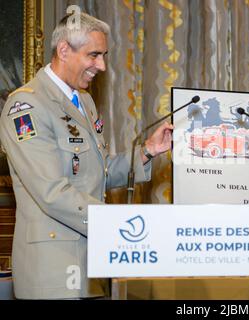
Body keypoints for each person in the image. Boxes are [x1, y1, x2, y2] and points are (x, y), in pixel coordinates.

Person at [0, 12, 173, 299]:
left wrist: (146, 152)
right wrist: (116, 225)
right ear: (64, 50)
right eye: (94, 55)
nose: (102, 66)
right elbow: (51, 192)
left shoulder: (84, 101)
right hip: (53, 268)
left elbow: (97, 171)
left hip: (91, 264)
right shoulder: (27, 106)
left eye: (104, 55)